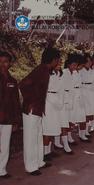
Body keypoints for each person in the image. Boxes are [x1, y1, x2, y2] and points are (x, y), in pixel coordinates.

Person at [19, 47, 59, 176]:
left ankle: (39, 161)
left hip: (38, 109)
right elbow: (23, 84)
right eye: (57, 60)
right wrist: (30, 101)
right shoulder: (40, 70)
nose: (58, 63)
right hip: (32, 109)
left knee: (37, 136)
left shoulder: (45, 70)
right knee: (31, 138)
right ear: (53, 60)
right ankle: (30, 167)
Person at [0, 51, 22, 178]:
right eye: (0, 61)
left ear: (9, 64)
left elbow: (16, 102)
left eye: (6, 61)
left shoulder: (13, 81)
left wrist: (16, 121)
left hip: (8, 119)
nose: (3, 64)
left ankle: (2, 170)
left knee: (5, 145)